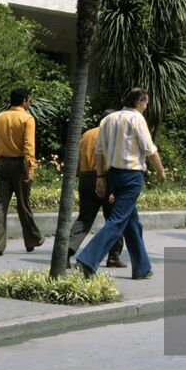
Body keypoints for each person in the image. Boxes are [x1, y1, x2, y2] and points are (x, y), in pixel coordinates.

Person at [74, 88, 166, 279]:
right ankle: (87, 260)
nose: (146, 106)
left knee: (132, 222)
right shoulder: (137, 119)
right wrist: (160, 171)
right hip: (131, 176)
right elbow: (149, 149)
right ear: (139, 102)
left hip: (112, 174)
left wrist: (100, 177)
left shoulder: (108, 119)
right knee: (117, 220)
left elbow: (99, 151)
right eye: (146, 103)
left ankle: (142, 268)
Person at [0, 88, 44, 256]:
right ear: (25, 100)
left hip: (3, 163)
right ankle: (32, 238)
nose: (31, 102)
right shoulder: (27, 118)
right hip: (20, 164)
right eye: (30, 100)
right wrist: (30, 169)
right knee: (23, 202)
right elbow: (29, 146)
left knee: (0, 203)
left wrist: (0, 157)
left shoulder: (0, 117)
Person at [67, 115, 125, 268]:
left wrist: (81, 178)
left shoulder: (86, 135)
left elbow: (78, 161)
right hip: (106, 177)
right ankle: (113, 256)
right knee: (115, 218)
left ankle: (66, 251)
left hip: (86, 178)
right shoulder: (114, 136)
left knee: (84, 218)